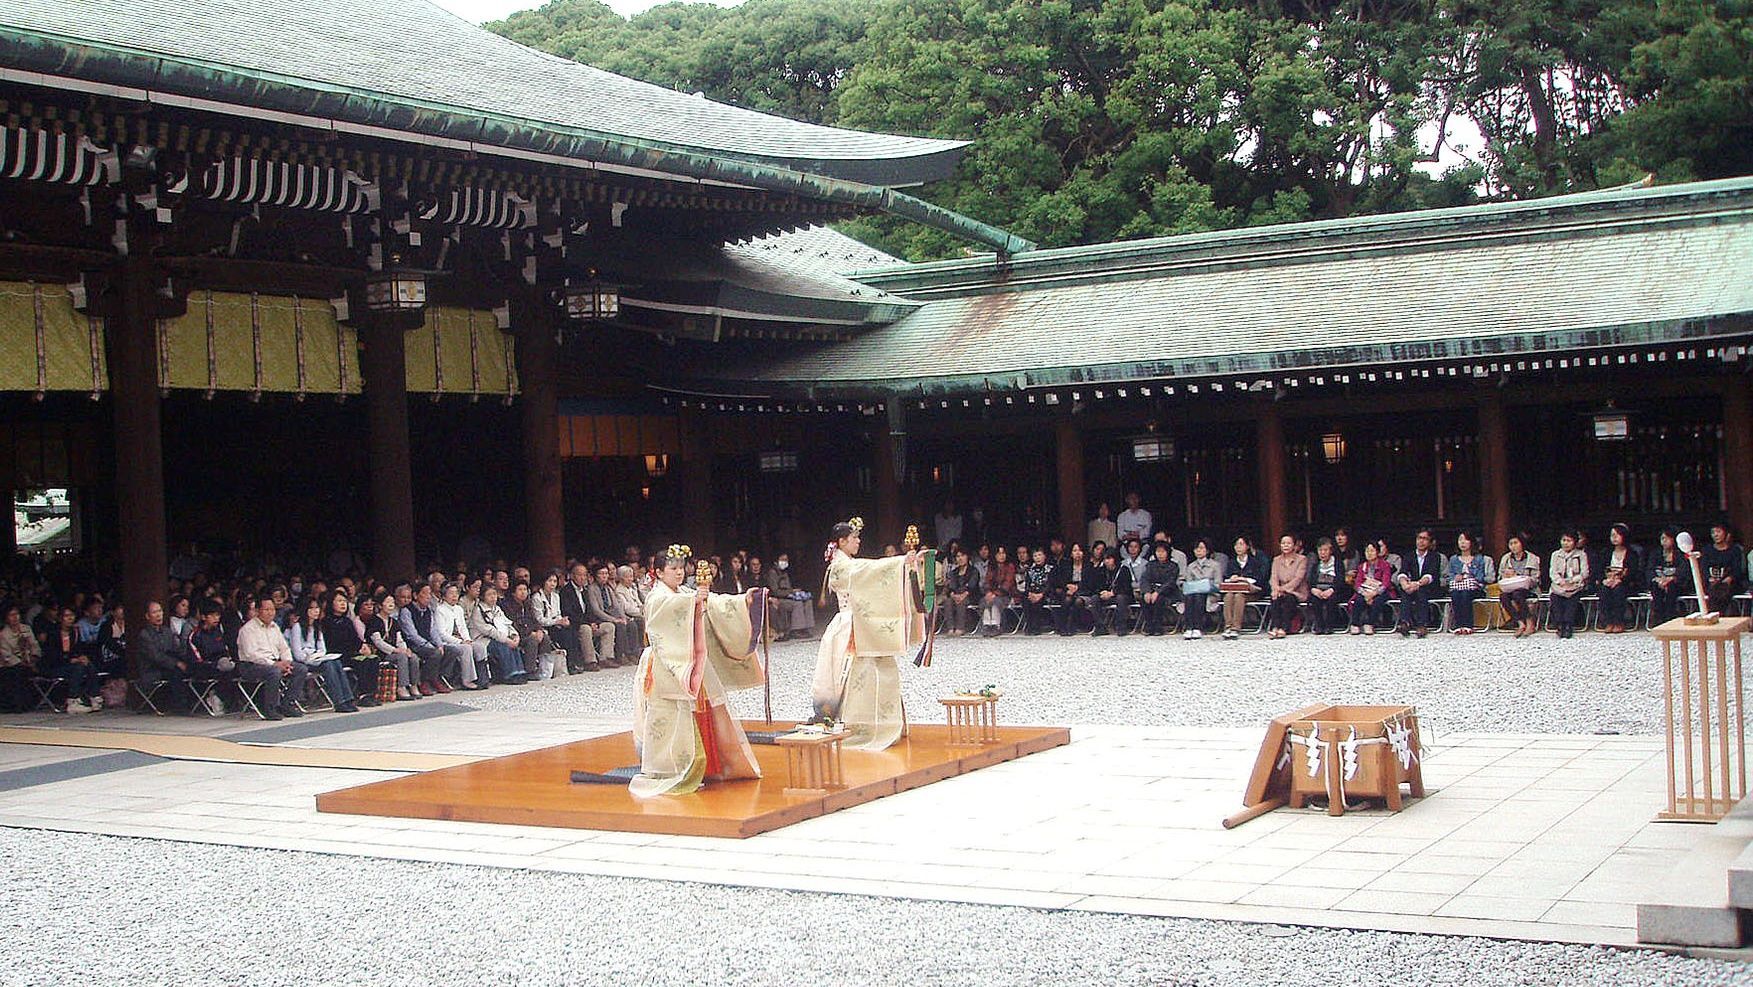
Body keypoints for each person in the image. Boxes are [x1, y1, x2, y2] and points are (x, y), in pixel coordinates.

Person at [629, 545, 765, 798]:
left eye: (681, 568)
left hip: (689, 660)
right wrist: (694, 600)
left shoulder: (682, 592)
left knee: (709, 707)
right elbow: (675, 609)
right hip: (667, 663)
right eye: (673, 569)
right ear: (658, 572)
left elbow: (710, 602)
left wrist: (741, 601)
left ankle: (712, 764)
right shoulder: (657, 597)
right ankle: (674, 767)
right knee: (673, 716)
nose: (679, 573)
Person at [811, 519, 928, 751]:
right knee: (859, 675)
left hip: (862, 625)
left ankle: (884, 721)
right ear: (842, 541)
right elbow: (868, 570)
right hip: (850, 626)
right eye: (854, 538)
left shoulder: (848, 563)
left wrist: (904, 564)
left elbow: (867, 569)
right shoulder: (840, 566)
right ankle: (860, 725)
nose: (858, 541)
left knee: (880, 669)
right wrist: (900, 562)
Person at [237, 594, 309, 720]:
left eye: (272, 610)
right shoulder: (247, 629)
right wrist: (274, 664)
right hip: (251, 665)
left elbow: (284, 647)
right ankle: (270, 708)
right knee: (274, 672)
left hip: (276, 662)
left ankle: (287, 704)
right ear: (258, 610)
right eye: (266, 610)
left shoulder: (274, 627)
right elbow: (252, 654)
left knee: (301, 669)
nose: (270, 613)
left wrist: (286, 662)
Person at [287, 596, 359, 712]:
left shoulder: (317, 626)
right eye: (312, 608)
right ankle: (339, 701)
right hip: (306, 661)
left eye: (317, 608)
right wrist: (311, 656)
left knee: (335, 661)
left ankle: (348, 698)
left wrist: (319, 655)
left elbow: (322, 648)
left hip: (318, 657)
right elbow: (297, 653)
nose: (316, 611)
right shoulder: (297, 627)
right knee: (329, 665)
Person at [397, 583, 464, 694]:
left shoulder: (429, 611)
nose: (428, 596)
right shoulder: (407, 611)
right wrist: (430, 645)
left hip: (430, 644)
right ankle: (424, 681)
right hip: (414, 645)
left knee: (453, 650)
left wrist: (439, 644)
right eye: (424, 593)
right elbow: (411, 635)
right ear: (415, 595)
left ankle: (438, 677)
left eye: (429, 593)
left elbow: (433, 631)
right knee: (435, 653)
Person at [367, 592, 423, 701]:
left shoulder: (394, 621)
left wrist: (405, 649)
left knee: (413, 657)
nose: (391, 605)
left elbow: (399, 639)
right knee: (401, 657)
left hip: (396, 651)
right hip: (382, 653)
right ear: (380, 605)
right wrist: (395, 650)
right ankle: (401, 687)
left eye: (392, 602)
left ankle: (414, 685)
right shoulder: (374, 621)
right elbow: (378, 642)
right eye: (387, 602)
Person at [468, 584, 529, 684]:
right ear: (483, 597)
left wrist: (515, 635)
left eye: (494, 594)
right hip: (484, 639)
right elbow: (489, 630)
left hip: (501, 636)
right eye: (489, 595)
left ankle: (520, 672)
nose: (493, 597)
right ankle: (510, 674)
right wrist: (506, 640)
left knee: (514, 647)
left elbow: (507, 623)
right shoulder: (478, 611)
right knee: (503, 647)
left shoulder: (497, 609)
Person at [136, 601, 190, 711]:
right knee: (176, 671)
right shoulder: (144, 634)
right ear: (147, 616)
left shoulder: (167, 631)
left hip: (168, 666)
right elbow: (156, 657)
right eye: (154, 612)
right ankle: (180, 706)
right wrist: (176, 663)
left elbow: (175, 650)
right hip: (152, 669)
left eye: (160, 611)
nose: (158, 615)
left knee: (188, 668)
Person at [40, 607, 97, 711]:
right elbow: (51, 655)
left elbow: (78, 649)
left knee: (88, 664)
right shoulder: (53, 633)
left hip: (71, 663)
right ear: (60, 619)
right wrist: (70, 660)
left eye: (72, 615)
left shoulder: (75, 632)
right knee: (78, 668)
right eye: (67, 616)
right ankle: (72, 700)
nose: (70, 618)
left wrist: (82, 656)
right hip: (56, 666)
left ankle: (94, 696)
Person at [435, 584, 485, 690]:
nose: (454, 596)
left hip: (462, 639)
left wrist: (467, 639)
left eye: (456, 593)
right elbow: (442, 633)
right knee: (466, 649)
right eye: (451, 593)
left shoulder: (458, 609)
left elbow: (463, 627)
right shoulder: (440, 610)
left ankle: (483, 677)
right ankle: (467, 680)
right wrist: (460, 642)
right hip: (449, 641)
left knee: (479, 646)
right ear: (444, 596)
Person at [560, 563, 608, 672]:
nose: (582, 578)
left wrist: (594, 622)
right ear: (572, 576)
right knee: (586, 629)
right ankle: (590, 661)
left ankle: (605, 658)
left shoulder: (585, 591)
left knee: (608, 626)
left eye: (585, 575)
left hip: (588, 623)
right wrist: (587, 623)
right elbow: (569, 613)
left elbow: (590, 610)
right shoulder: (566, 591)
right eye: (579, 575)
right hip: (576, 625)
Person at [1395, 529, 1443, 638]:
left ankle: (1422, 624)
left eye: (1425, 539)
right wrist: (1404, 584)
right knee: (1405, 591)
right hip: (1412, 586)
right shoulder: (1409, 555)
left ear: (1430, 542)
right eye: (1419, 538)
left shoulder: (1435, 556)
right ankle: (1405, 622)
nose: (1421, 541)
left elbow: (1430, 575)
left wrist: (1417, 584)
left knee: (1421, 591)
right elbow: (1403, 572)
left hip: (1429, 587)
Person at [1597, 523, 1643, 634]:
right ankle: (1608, 622)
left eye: (1617, 535)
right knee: (1604, 590)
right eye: (1612, 535)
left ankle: (1619, 621)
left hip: (1626, 583)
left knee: (1618, 590)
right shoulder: (1606, 553)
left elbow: (1633, 572)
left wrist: (1620, 580)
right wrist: (1604, 579)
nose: (1614, 538)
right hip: (1608, 582)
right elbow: (1598, 570)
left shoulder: (1632, 554)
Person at [1445, 532, 1493, 635]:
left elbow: (1481, 576)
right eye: (1460, 539)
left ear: (1471, 542)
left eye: (1465, 540)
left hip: (1476, 588)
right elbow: (1450, 576)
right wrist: (1456, 577)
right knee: (1455, 594)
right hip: (1458, 587)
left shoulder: (1479, 558)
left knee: (1466, 594)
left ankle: (1468, 624)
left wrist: (1468, 576)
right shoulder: (1453, 559)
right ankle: (1458, 625)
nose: (1462, 542)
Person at [1220, 536, 1267, 640]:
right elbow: (1226, 578)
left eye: (1241, 544)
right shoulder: (1232, 562)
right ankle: (1228, 626)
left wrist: (1243, 579)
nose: (1238, 547)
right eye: (1236, 545)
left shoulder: (1255, 562)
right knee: (1228, 596)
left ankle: (1236, 628)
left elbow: (1259, 579)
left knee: (1239, 596)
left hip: (1252, 591)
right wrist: (1232, 578)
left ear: (1247, 547)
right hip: (1234, 590)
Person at [1498, 532, 1543, 637]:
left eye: (1515, 543)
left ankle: (1529, 622)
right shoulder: (1505, 559)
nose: (1513, 546)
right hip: (1510, 587)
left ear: (1522, 543)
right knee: (1503, 596)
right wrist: (1506, 576)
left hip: (1529, 589)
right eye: (1511, 544)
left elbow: (1536, 579)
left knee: (1517, 594)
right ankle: (1519, 622)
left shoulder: (1532, 558)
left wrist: (1518, 576)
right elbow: (1499, 577)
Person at [0, 604, 43, 713]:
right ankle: (17, 705)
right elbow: (7, 656)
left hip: (29, 660)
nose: (15, 617)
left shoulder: (26, 629)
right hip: (9, 666)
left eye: (17, 614)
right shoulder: (3, 634)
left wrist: (34, 657)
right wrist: (23, 663)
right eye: (11, 615)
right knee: (18, 673)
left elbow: (35, 645)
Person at [763, 552, 815, 641]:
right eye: (782, 560)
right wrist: (791, 592)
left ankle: (807, 627)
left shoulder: (785, 573)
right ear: (776, 561)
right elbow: (775, 591)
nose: (785, 562)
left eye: (786, 560)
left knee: (807, 601)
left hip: (789, 597)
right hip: (779, 599)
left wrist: (795, 593)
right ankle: (797, 629)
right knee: (797, 604)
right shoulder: (772, 573)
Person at [1699, 522, 1747, 617]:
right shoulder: (1707, 550)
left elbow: (1737, 570)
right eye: (1713, 532)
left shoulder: (1735, 550)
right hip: (1712, 583)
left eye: (1718, 531)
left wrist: (1729, 578)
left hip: (1730, 584)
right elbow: (1703, 569)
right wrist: (1710, 578)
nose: (1715, 535)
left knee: (1723, 590)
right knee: (1714, 590)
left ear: (1726, 534)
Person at [1549, 530, 1590, 639]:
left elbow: (1584, 572)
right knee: (1555, 597)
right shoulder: (1555, 555)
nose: (1566, 543)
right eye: (1564, 540)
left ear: (1575, 542)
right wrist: (1561, 582)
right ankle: (1559, 624)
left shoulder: (1581, 555)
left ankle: (1568, 625)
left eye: (1569, 540)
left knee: (1572, 599)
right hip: (1559, 585)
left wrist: (1572, 581)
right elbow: (1552, 572)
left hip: (1575, 585)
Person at [1178, 538, 1223, 639]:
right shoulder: (1191, 566)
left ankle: (1198, 627)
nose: (1198, 551)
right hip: (1193, 593)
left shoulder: (1215, 565)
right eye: (1196, 549)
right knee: (1190, 596)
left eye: (1201, 548)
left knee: (1198, 596)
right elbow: (1188, 583)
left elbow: (1218, 584)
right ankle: (1189, 627)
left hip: (1210, 594)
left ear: (1207, 550)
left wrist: (1206, 585)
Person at [1266, 535, 1308, 639]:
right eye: (1283, 543)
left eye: (1289, 543)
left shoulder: (1302, 559)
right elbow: (1273, 577)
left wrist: (1282, 589)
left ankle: (1284, 628)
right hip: (1280, 591)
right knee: (1275, 598)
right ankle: (1275, 627)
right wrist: (1275, 589)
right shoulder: (1276, 560)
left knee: (1288, 598)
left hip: (1296, 591)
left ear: (1294, 545)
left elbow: (1298, 578)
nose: (1286, 546)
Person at [1646, 528, 1690, 627]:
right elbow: (1650, 570)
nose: (1664, 541)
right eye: (1662, 539)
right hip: (1659, 582)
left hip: (1676, 584)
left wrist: (1671, 579)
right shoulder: (1655, 554)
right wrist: (1657, 579)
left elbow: (1684, 572)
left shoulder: (1681, 554)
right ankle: (1658, 618)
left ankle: (1670, 617)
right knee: (1655, 587)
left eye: (1667, 538)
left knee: (1671, 587)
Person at [1348, 541, 1393, 635]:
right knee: (1359, 600)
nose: (1369, 553)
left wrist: (1373, 594)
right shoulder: (1362, 566)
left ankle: (1370, 623)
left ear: (1377, 552)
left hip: (1380, 591)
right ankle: (1355, 623)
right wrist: (1365, 594)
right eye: (1367, 551)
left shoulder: (1385, 565)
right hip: (1365, 591)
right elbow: (1357, 583)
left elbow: (1386, 583)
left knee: (1378, 600)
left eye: (1372, 551)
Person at [531, 570, 571, 675]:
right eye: (550, 581)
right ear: (544, 582)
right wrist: (557, 621)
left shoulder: (556, 596)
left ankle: (570, 664)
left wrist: (562, 620)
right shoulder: (537, 597)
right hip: (543, 626)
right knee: (561, 635)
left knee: (570, 632)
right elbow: (539, 619)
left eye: (555, 581)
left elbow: (557, 613)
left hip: (555, 624)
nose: (552, 584)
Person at [1305, 538, 1348, 635]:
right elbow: (1311, 581)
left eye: (1325, 550)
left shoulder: (1337, 563)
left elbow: (1341, 580)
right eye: (1320, 550)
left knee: (1331, 600)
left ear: (1330, 551)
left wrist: (1331, 590)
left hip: (1333, 591)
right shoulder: (1316, 565)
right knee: (1314, 599)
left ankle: (1329, 625)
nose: (1322, 553)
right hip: (1319, 590)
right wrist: (1314, 589)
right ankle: (1319, 625)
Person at [1138, 541, 1180, 636]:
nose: (1160, 554)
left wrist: (1158, 592)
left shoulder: (1173, 566)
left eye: (1163, 551)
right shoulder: (1150, 565)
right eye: (1158, 551)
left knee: (1159, 599)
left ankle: (1158, 626)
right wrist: (1147, 591)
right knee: (1144, 599)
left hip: (1168, 592)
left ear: (1167, 552)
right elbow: (1144, 579)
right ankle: (1149, 625)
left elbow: (1170, 582)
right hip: (1152, 590)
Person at [1051, 543, 1093, 635]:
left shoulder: (1089, 565)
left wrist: (1078, 587)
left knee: (1078, 601)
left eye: (1080, 550)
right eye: (1075, 551)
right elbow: (1060, 580)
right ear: (1071, 553)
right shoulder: (1065, 565)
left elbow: (1090, 583)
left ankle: (1073, 625)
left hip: (1084, 592)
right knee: (1067, 600)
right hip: (1069, 590)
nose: (1077, 553)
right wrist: (1067, 586)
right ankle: (1063, 626)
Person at [1089, 551, 1132, 636]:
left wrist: (1113, 593)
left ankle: (1121, 627)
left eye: (1109, 558)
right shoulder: (1101, 570)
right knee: (1094, 598)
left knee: (1121, 598)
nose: (1106, 561)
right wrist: (1102, 592)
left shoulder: (1124, 569)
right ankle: (1100, 627)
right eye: (1105, 559)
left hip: (1122, 595)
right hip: (1106, 595)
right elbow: (1095, 586)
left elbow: (1126, 587)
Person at [941, 548, 981, 636]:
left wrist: (963, 595)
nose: (960, 558)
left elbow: (972, 586)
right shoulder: (953, 573)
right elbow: (951, 587)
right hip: (955, 595)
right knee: (947, 602)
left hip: (970, 595)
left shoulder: (974, 571)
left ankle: (960, 627)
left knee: (961, 601)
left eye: (962, 555)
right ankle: (951, 628)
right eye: (958, 556)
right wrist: (953, 595)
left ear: (967, 557)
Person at [980, 545, 1016, 637]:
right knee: (985, 600)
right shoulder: (991, 566)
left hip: (1007, 595)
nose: (1002, 556)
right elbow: (987, 582)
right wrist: (988, 592)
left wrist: (994, 594)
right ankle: (987, 625)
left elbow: (1007, 584)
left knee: (996, 600)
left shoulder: (1010, 566)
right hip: (992, 594)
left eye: (1003, 553)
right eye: (999, 553)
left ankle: (996, 625)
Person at [612, 566, 647, 657]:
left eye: (631, 576)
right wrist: (641, 612)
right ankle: (636, 651)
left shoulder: (633, 588)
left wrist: (644, 609)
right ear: (621, 578)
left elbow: (638, 602)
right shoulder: (619, 591)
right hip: (627, 615)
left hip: (639, 612)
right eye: (628, 577)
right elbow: (627, 608)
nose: (630, 579)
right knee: (638, 622)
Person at [1020, 547, 1053, 634]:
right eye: (1035, 556)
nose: (1037, 558)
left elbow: (1051, 584)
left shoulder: (1050, 568)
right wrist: (1030, 593)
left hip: (1046, 593)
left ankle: (1036, 626)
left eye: (1039, 555)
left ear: (1044, 556)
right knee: (1025, 597)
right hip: (1033, 592)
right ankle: (1029, 624)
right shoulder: (1030, 569)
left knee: (1038, 601)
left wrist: (1041, 594)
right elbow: (1027, 584)